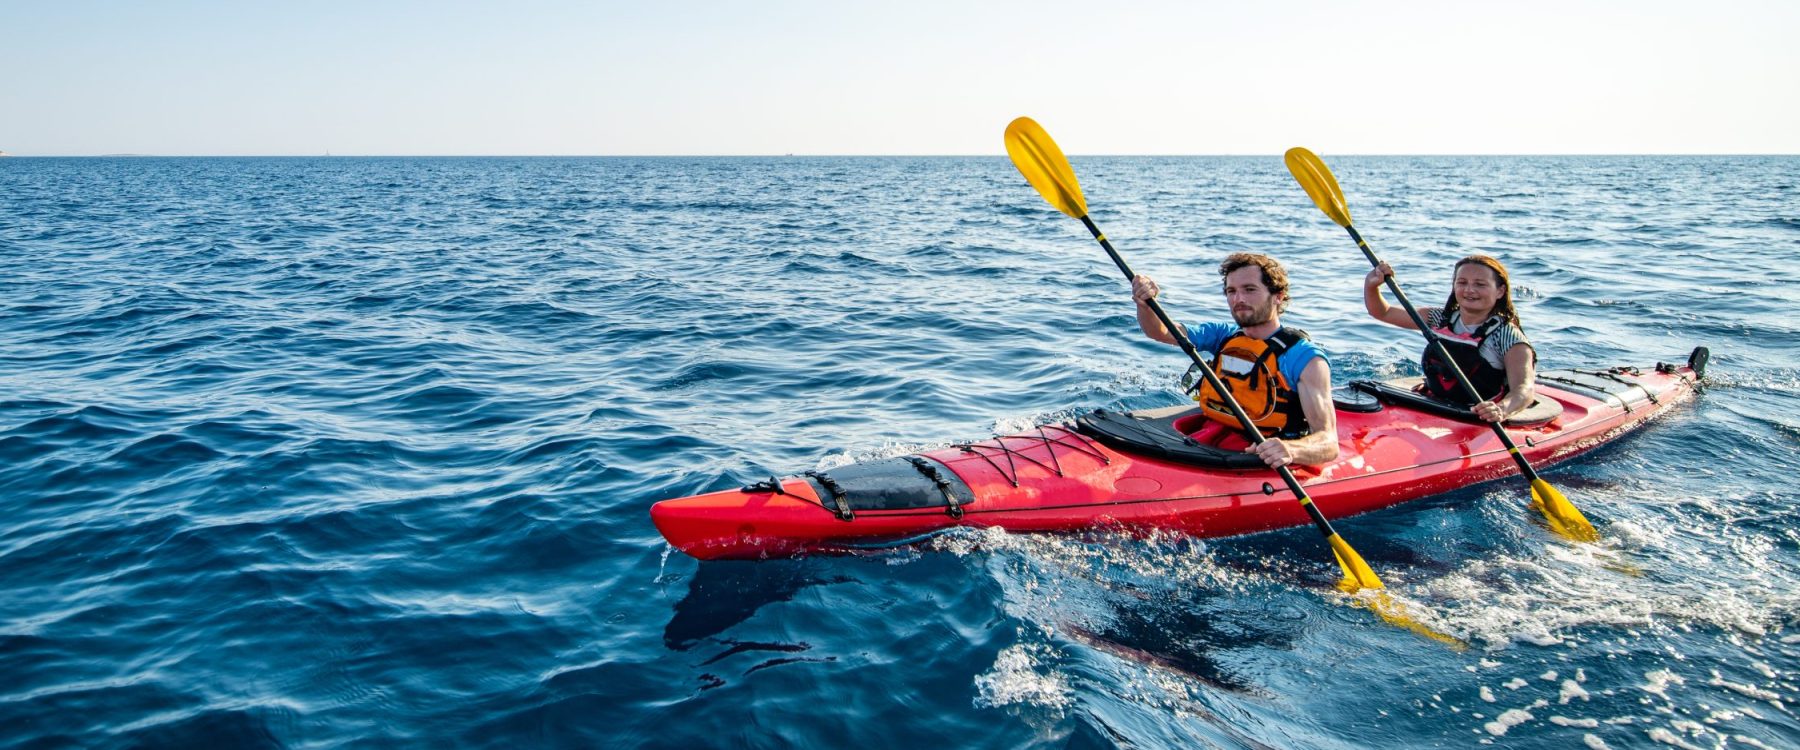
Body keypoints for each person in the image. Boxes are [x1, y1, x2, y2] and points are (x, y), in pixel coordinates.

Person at [1131, 253, 1338, 469]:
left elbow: (1329, 443)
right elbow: (1161, 332)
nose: (1238, 299)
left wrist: (1291, 450)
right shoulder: (1223, 335)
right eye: (1231, 291)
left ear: (1278, 295)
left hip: (1258, 454)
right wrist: (1145, 304)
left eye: (1249, 289)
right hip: (1211, 438)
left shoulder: (1305, 359)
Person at [1363, 254, 1536, 423]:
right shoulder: (1438, 318)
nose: (1469, 290)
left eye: (1480, 284)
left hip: (1476, 416)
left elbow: (1524, 389)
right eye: (1462, 282)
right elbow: (1382, 312)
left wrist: (1501, 410)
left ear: (1500, 291)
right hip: (1433, 404)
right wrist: (1372, 286)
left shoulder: (1508, 337)